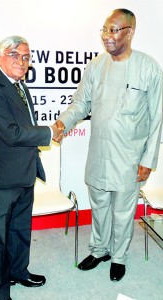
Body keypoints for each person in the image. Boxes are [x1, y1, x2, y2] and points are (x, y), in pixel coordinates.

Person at [55, 8, 163, 281]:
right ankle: (100, 249)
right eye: (104, 30)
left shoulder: (148, 67)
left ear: (130, 32)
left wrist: (148, 160)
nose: (107, 36)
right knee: (100, 205)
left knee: (124, 211)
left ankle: (119, 257)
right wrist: (62, 124)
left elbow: (157, 117)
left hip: (130, 157)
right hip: (100, 153)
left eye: (113, 30)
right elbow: (81, 104)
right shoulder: (95, 66)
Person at [0, 36, 63, 300]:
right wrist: (50, 132)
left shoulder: (20, 86)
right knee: (0, 237)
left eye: (26, 57)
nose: (21, 61)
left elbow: (24, 125)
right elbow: (11, 133)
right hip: (4, 174)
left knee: (20, 228)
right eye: (15, 55)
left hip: (26, 169)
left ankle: (19, 271)